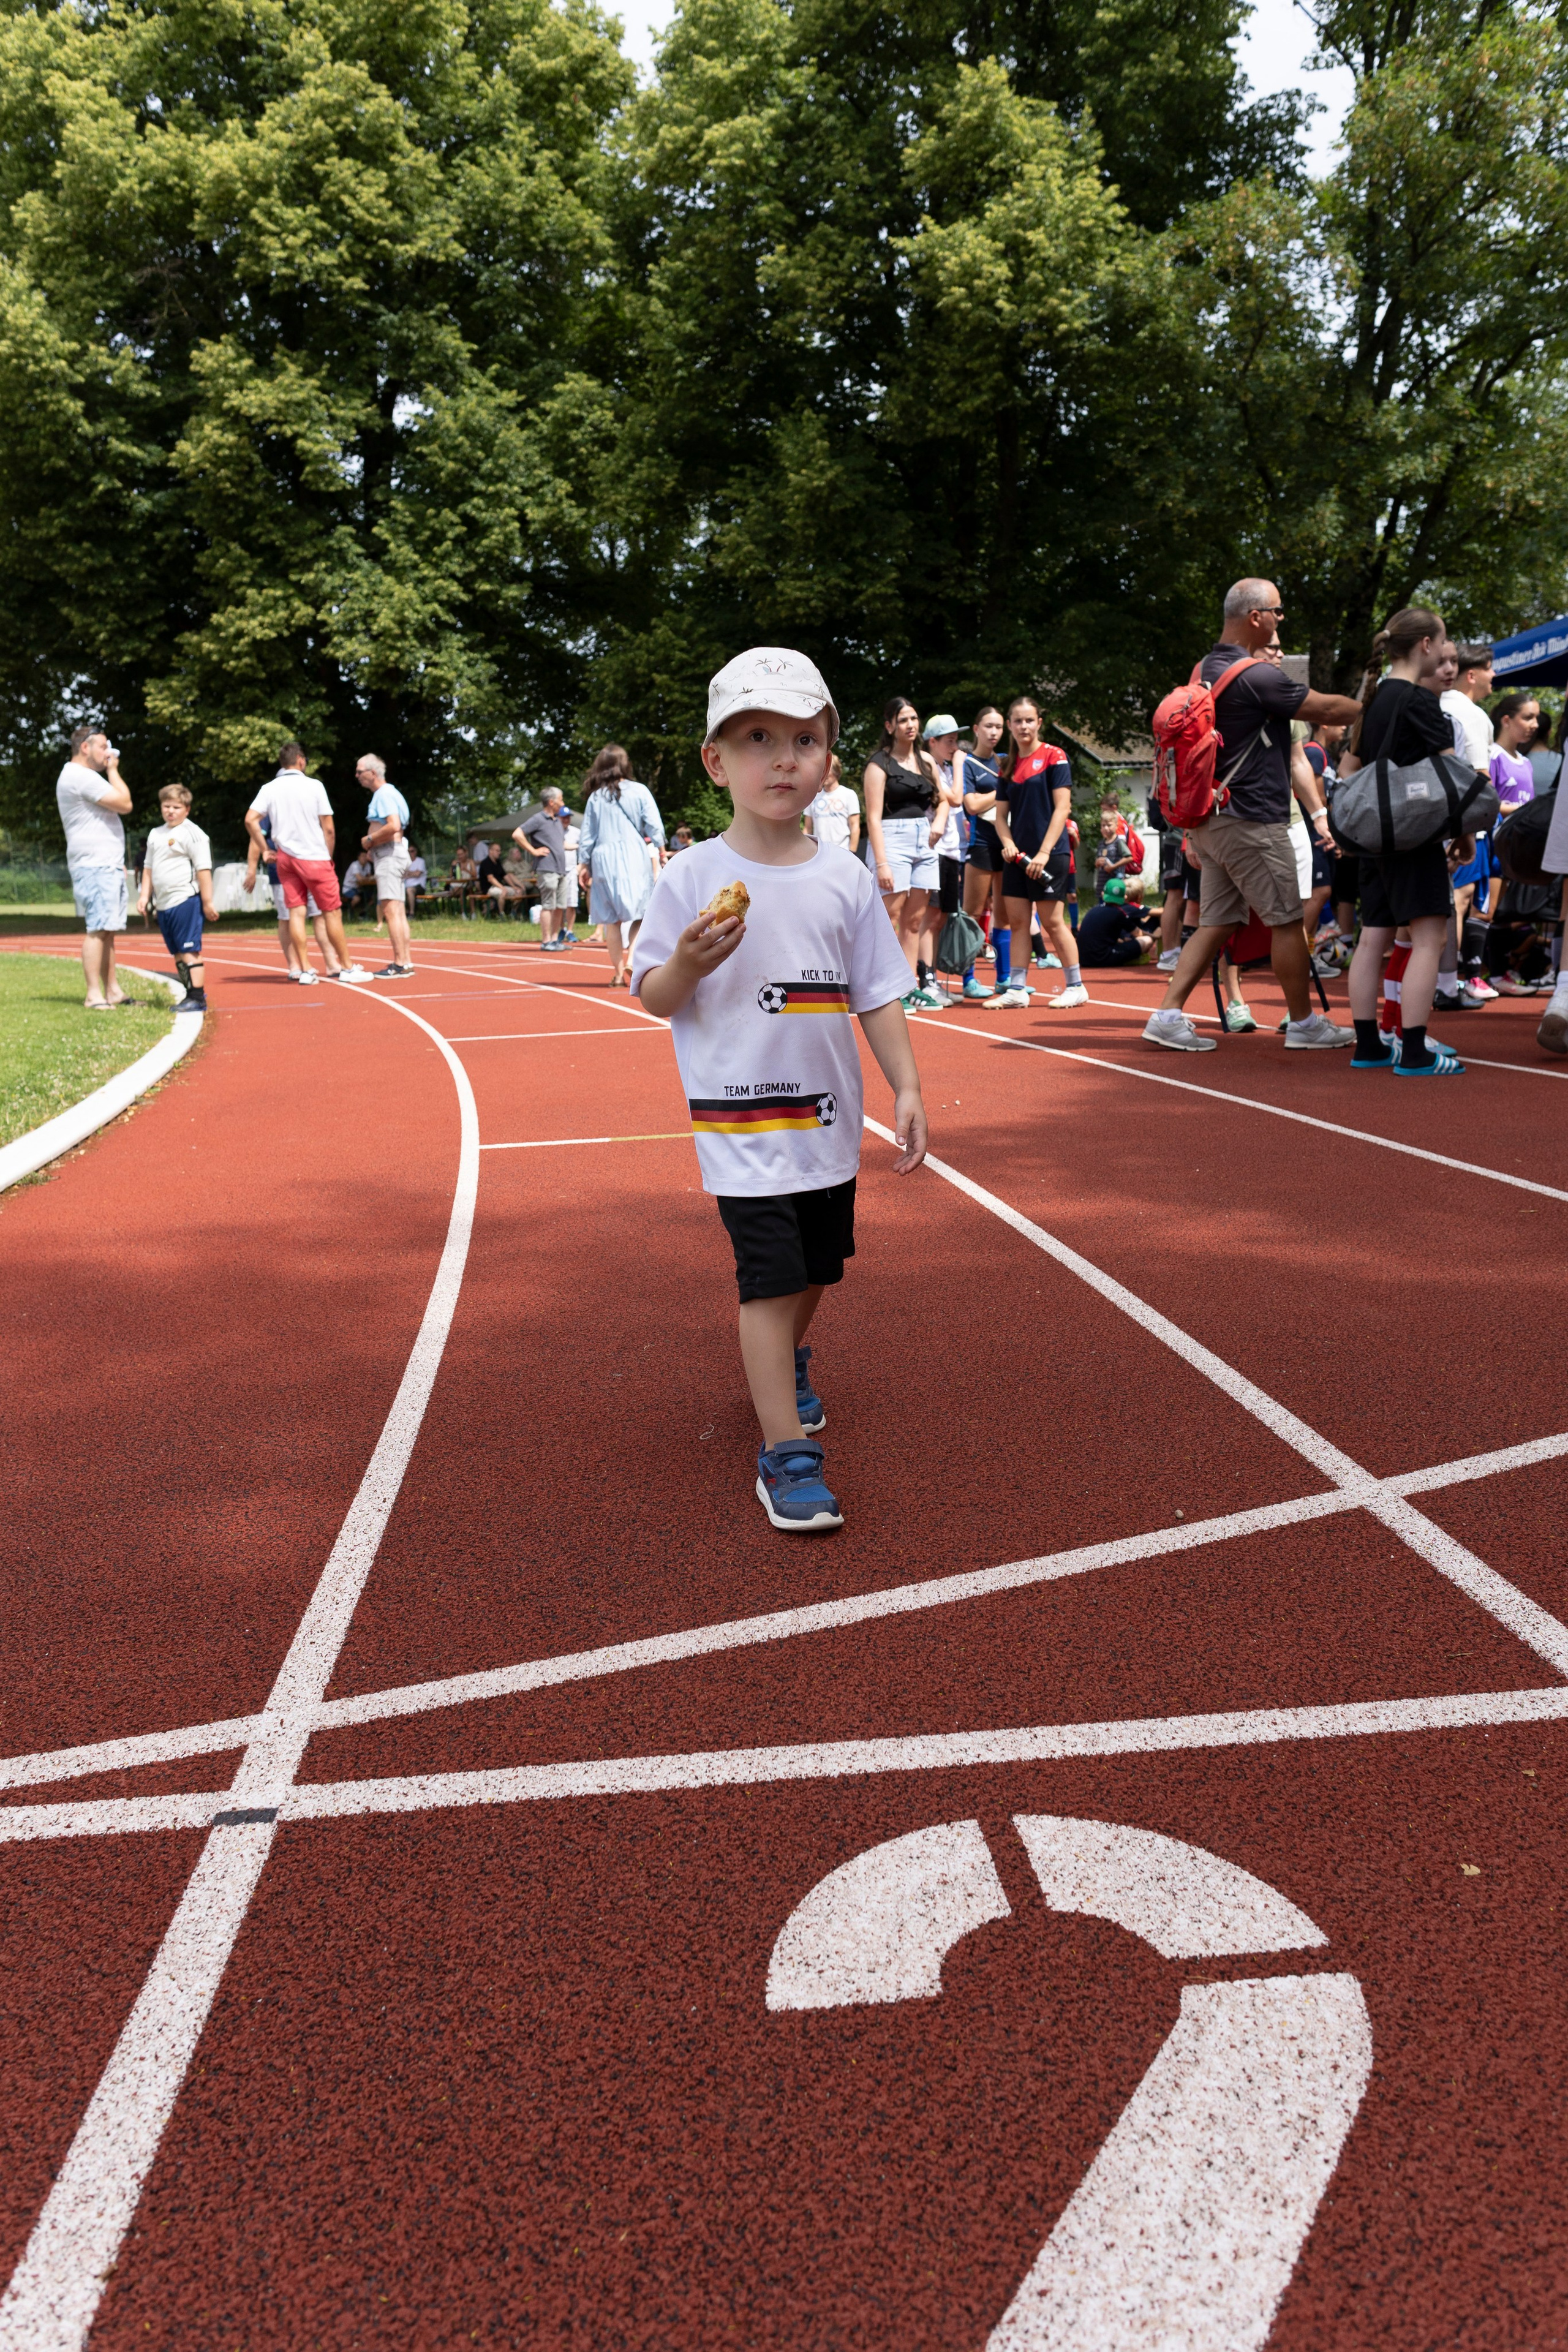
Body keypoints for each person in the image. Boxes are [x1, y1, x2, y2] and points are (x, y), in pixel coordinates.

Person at [632, 646, 924, 1534]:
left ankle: (790, 1360)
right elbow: (653, 997)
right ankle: (786, 1454)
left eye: (804, 738)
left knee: (820, 1267)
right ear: (718, 762)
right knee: (767, 1279)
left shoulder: (843, 878)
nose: (784, 757)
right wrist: (684, 960)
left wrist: (907, 1089)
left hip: (830, 1123)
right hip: (740, 1125)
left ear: (830, 761)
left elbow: (875, 992)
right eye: (758, 738)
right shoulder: (687, 878)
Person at [1142, 578, 1363, 1052]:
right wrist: (1375, 706)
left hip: (1210, 819)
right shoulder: (1257, 676)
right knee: (1286, 921)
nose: (1282, 620)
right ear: (1256, 617)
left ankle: (1166, 1015)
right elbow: (1326, 709)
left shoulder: (1203, 669)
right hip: (1251, 822)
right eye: (1278, 612)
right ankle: (1304, 1024)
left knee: (1217, 921)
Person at [1339, 605, 1468, 1075]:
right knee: (1430, 939)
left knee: (1372, 940)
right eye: (1444, 641)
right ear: (1426, 646)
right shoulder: (1419, 701)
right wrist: (1465, 835)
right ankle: (1414, 1051)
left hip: (1373, 837)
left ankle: (1369, 1044)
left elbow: (1350, 768)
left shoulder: (1372, 700)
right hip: (1412, 835)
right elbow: (1454, 778)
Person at [242, 742, 371, 984]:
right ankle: (347, 967)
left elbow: (251, 821)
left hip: (285, 859)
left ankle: (305, 970)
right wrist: (328, 856)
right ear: (301, 760)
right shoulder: (314, 786)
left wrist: (265, 849)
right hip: (314, 857)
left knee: (296, 914)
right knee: (331, 913)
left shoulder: (269, 788)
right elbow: (329, 828)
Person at [987, 698, 1085, 1009]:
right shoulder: (1008, 766)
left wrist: (1044, 852)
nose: (1024, 727)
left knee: (1053, 921)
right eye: (1018, 721)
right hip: (1018, 857)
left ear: (1039, 722)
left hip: (1050, 854)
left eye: (1029, 720)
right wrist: (1007, 843)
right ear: (1010, 725)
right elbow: (1000, 817)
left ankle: (1076, 985)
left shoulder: (1055, 757)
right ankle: (1017, 988)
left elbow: (1062, 809)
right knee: (1018, 922)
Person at [862, 698, 946, 1010]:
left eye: (914, 718)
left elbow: (945, 799)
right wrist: (881, 862)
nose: (911, 724)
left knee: (915, 921)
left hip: (924, 841)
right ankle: (884, 989)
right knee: (890, 918)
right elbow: (872, 817)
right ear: (890, 726)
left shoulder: (926, 760)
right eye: (903, 720)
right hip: (891, 839)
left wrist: (939, 820)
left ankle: (908, 987)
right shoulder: (878, 764)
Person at [56, 723, 132, 1009]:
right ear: (85, 747)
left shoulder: (77, 775)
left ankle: (112, 991)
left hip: (104, 864)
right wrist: (113, 770)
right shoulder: (81, 776)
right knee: (98, 929)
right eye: (103, 747)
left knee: (107, 929)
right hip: (96, 865)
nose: (108, 753)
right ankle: (93, 995)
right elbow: (125, 803)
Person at [576, 744, 666, 986]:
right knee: (643, 912)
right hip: (634, 856)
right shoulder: (639, 791)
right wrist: (661, 848)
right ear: (625, 764)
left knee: (611, 919)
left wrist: (583, 863)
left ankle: (617, 974)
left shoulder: (596, 797)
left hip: (603, 858)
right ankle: (632, 957)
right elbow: (654, 824)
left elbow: (587, 834)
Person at [137, 782, 217, 1011]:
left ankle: (197, 997)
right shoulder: (155, 834)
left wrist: (208, 902)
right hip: (163, 904)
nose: (170, 811)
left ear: (187, 809)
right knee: (177, 952)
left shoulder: (193, 834)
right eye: (166, 806)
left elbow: (203, 870)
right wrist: (144, 896)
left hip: (185, 900)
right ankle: (189, 991)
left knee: (189, 950)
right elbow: (148, 869)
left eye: (176, 807)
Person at [959, 704, 1009, 992]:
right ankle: (969, 980)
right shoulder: (967, 763)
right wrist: (999, 791)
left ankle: (1003, 979)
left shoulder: (1006, 761)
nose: (994, 732)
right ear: (977, 729)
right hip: (980, 844)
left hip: (1007, 843)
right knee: (973, 913)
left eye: (999, 727)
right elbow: (972, 805)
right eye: (989, 726)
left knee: (1004, 914)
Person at [358, 754, 415, 975]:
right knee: (398, 910)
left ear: (373, 773)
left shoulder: (383, 794)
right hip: (392, 853)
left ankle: (400, 964)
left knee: (391, 911)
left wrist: (369, 841)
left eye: (360, 771)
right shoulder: (390, 793)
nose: (357, 776)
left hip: (389, 855)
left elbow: (394, 825)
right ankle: (406, 961)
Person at [516, 787, 574, 950]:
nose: (563, 804)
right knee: (548, 904)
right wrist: (533, 851)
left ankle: (555, 940)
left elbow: (562, 845)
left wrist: (581, 846)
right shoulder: (538, 819)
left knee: (560, 906)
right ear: (551, 802)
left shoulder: (557, 821)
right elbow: (517, 834)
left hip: (561, 870)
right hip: (547, 869)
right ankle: (546, 941)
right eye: (561, 800)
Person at [1077, 876, 1155, 965]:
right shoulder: (1118, 913)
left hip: (1083, 959)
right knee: (1147, 940)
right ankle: (1131, 959)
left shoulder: (1093, 910)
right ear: (1125, 897)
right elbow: (1139, 934)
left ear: (1103, 894)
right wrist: (1155, 936)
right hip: (1102, 958)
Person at [1488, 692, 1540, 816]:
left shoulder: (1526, 762)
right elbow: (1486, 804)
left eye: (1537, 718)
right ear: (1506, 721)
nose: (1535, 725)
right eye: (1528, 718)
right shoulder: (1493, 756)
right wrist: (1525, 811)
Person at [802, 755, 861, 858]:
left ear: (836, 771)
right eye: (821, 770)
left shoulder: (849, 794)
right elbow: (807, 828)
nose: (823, 774)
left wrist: (852, 853)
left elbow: (855, 826)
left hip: (843, 852)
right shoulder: (812, 796)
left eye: (826, 770)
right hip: (819, 854)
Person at [1093, 805, 1133, 900]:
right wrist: (1097, 863)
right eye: (1103, 825)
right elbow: (1097, 862)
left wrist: (1113, 867)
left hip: (1115, 882)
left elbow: (1129, 857)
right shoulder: (1101, 844)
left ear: (1116, 826)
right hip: (1103, 883)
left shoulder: (1119, 842)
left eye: (1109, 825)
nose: (1106, 828)